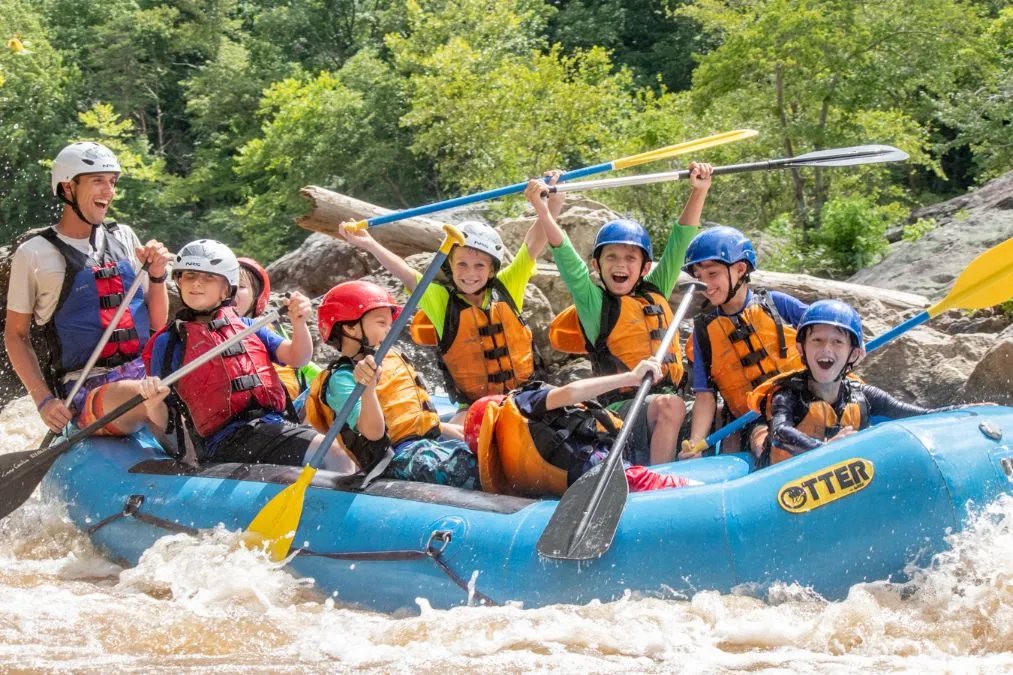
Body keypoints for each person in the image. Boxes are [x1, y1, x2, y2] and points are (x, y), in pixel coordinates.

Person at [530, 162, 714, 465]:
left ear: (644, 268)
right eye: (611, 257)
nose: (620, 265)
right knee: (671, 406)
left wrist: (699, 191)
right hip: (618, 408)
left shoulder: (656, 289)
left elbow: (680, 242)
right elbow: (565, 257)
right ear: (597, 266)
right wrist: (544, 211)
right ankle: (658, 482)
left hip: (662, 402)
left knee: (713, 410)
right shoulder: (595, 304)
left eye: (630, 258)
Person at [336, 176, 557, 423]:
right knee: (456, 431)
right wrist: (370, 244)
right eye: (461, 264)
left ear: (492, 270)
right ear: (450, 265)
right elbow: (406, 274)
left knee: (564, 401)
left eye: (479, 265)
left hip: (525, 395)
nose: (470, 273)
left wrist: (550, 200)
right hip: (475, 406)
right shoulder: (441, 302)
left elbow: (535, 241)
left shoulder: (507, 286)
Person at [140, 239, 356, 473]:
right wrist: (152, 403)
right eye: (189, 275)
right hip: (223, 441)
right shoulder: (169, 343)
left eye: (209, 277)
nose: (197, 283)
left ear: (227, 289)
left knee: (341, 448)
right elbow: (165, 421)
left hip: (272, 427)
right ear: (179, 281)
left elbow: (298, 357)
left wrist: (299, 323)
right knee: (333, 452)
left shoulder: (249, 326)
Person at [4, 141, 172, 437]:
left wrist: (157, 276)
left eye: (112, 182)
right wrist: (43, 400)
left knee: (162, 387)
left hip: (144, 372)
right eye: (98, 181)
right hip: (86, 389)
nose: (109, 191)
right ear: (68, 188)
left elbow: (157, 324)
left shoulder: (124, 236)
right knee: (148, 393)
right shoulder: (34, 254)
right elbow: (16, 336)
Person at [302, 281, 479, 488]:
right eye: (381, 323)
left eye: (389, 324)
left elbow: (408, 414)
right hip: (394, 459)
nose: (389, 330)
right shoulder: (341, 379)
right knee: (470, 468)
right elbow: (374, 433)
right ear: (350, 327)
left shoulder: (388, 359)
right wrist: (367, 388)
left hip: (423, 446)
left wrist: (442, 427)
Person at [746, 300, 965, 465]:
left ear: (854, 354)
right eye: (817, 340)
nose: (826, 349)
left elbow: (918, 415)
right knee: (761, 432)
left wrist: (961, 411)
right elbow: (780, 431)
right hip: (783, 481)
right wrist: (824, 448)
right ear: (801, 349)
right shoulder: (787, 394)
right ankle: (754, 437)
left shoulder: (863, 395)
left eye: (838, 342)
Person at [464, 357, 699, 498]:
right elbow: (569, 392)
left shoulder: (519, 413)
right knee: (650, 483)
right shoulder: (520, 406)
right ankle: (698, 490)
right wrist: (629, 377)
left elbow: (570, 394)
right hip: (592, 467)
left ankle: (695, 489)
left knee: (641, 480)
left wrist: (629, 377)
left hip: (587, 471)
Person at [680, 226, 808, 459]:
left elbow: (826, 327)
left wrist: (853, 343)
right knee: (764, 442)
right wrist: (696, 443)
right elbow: (705, 396)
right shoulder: (703, 333)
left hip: (803, 401)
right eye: (699, 277)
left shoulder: (776, 304)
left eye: (712, 274)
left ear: (740, 269)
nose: (706, 285)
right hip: (756, 419)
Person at [235, 256, 322, 400]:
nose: (232, 291)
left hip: (277, 410)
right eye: (228, 284)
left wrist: (299, 323)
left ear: (256, 298)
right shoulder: (194, 331)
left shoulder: (258, 329)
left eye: (241, 286)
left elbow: (301, 360)